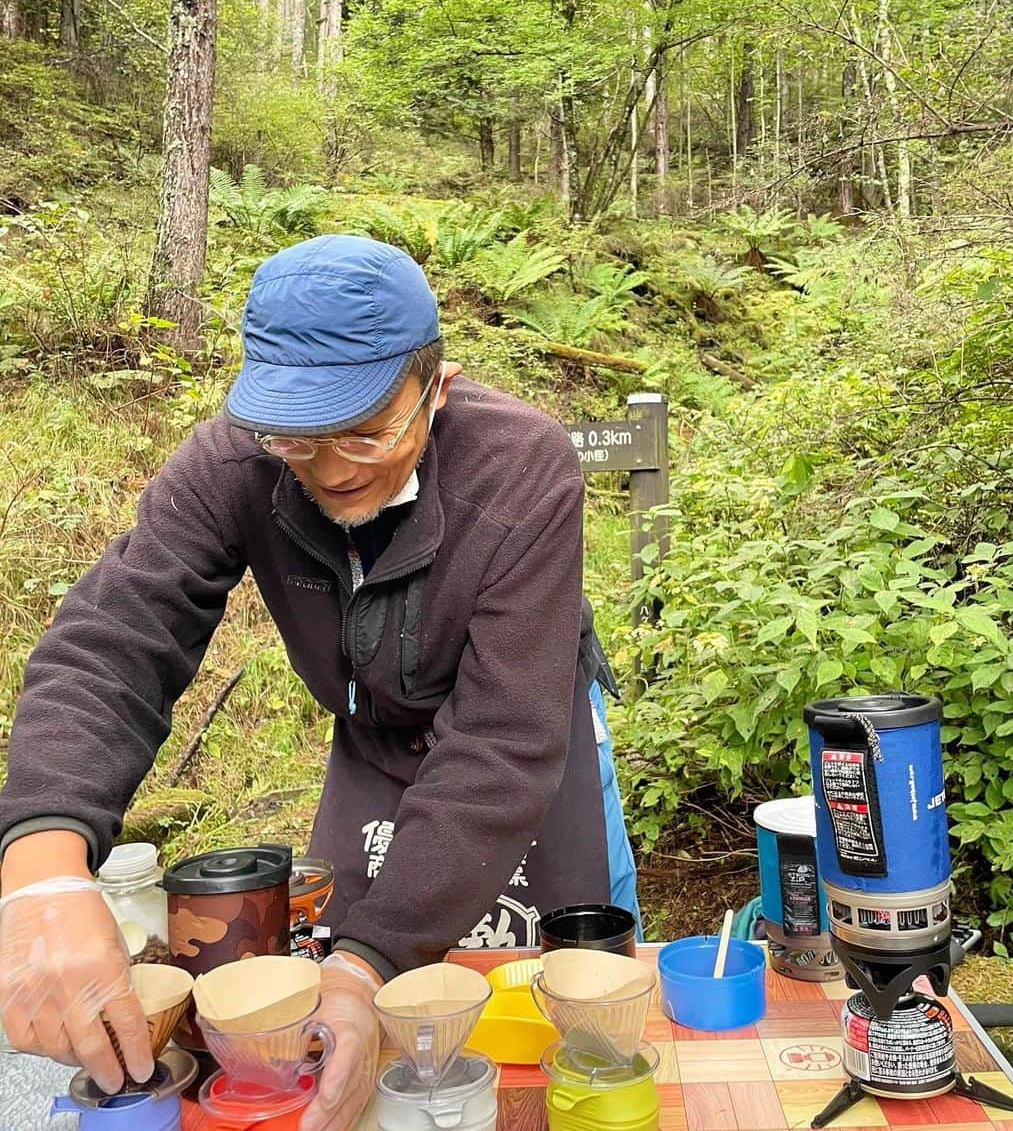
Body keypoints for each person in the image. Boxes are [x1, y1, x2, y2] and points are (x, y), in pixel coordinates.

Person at [0, 234, 638, 1129]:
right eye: (299, 436)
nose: (335, 469)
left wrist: (365, 967)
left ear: (438, 388)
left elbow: (505, 742)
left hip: (531, 729)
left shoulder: (521, 466)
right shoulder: (232, 462)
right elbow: (116, 641)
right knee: (346, 963)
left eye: (370, 430)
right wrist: (41, 878)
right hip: (372, 738)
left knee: (558, 982)